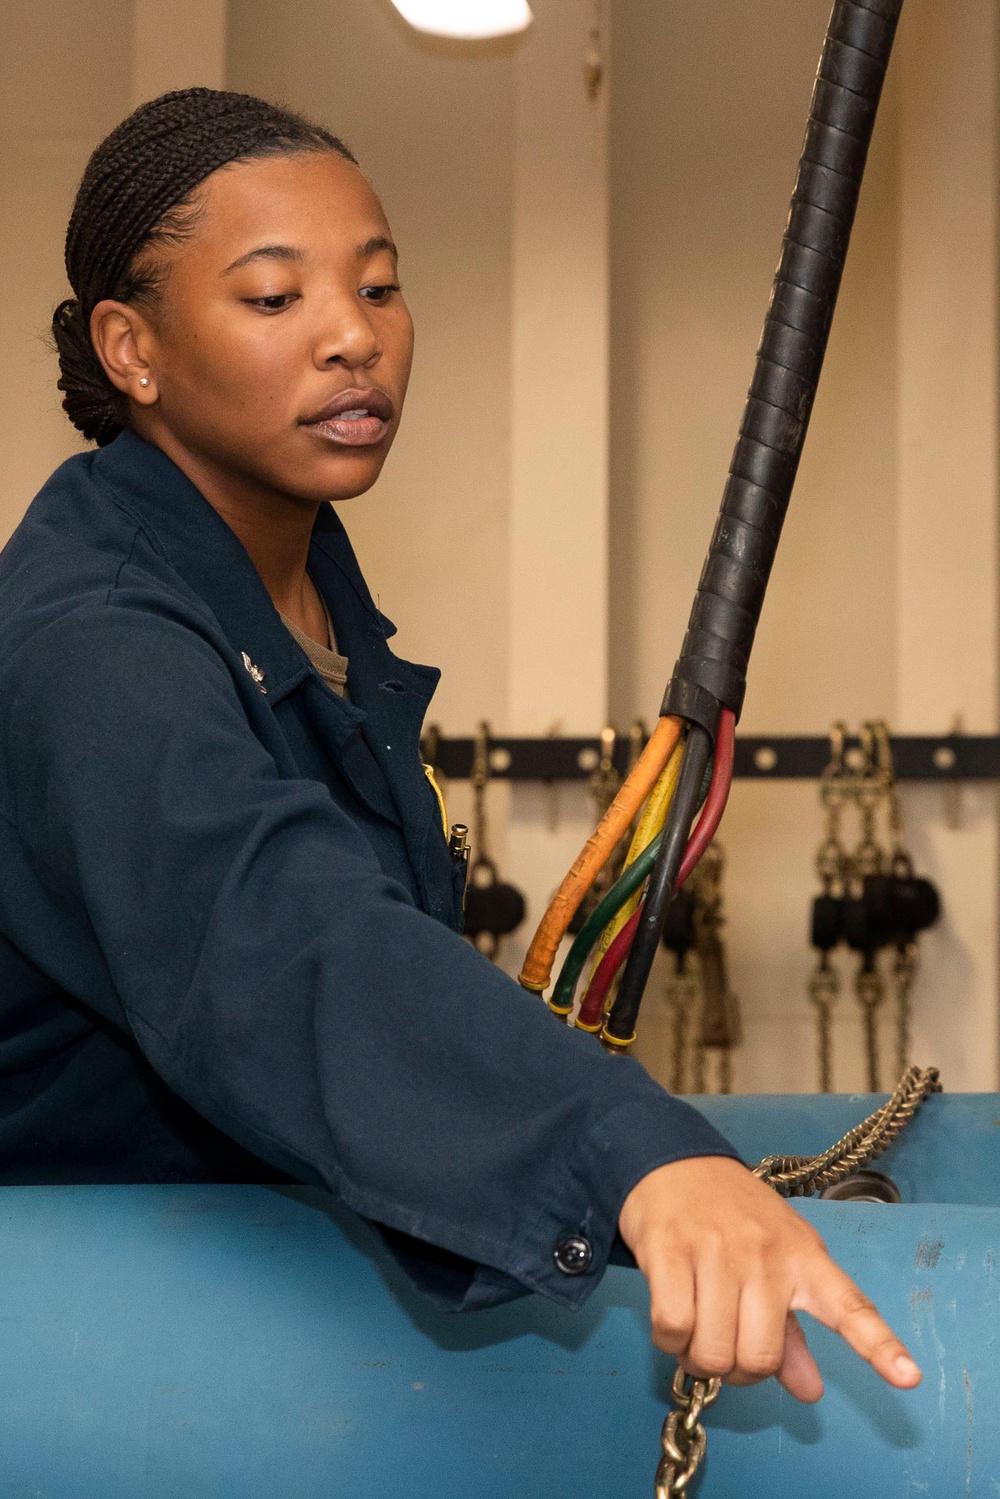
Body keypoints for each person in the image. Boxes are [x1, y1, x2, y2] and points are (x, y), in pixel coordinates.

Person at [0, 87, 920, 1406]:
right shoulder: (96, 648)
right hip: (80, 1337)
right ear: (131, 350)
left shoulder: (301, 597)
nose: (352, 340)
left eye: (380, 290)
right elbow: (276, 933)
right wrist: (629, 1154)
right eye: (275, 300)